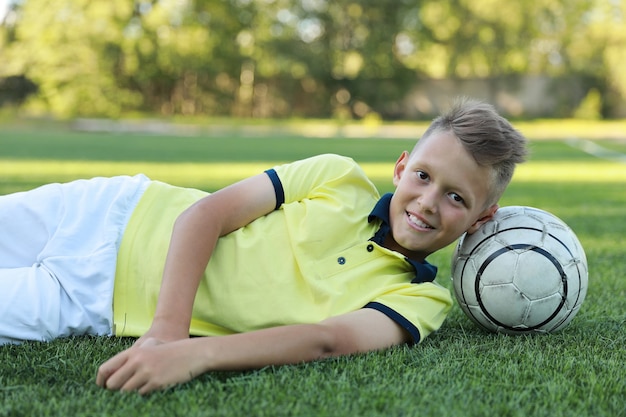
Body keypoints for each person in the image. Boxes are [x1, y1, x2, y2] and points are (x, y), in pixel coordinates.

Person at [0, 98, 527, 394]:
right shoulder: (336, 177)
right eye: (422, 175)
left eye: (456, 196)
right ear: (400, 165)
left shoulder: (421, 301)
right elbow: (206, 214)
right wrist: (167, 332)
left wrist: (195, 356)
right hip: (110, 210)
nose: (428, 201)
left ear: (483, 217)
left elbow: (329, 339)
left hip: (90, 301)